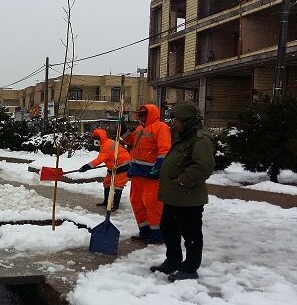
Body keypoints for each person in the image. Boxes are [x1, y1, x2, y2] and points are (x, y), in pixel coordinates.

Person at [150, 100, 215, 281]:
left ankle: (189, 268)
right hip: (173, 197)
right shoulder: (184, 135)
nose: (173, 123)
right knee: (169, 229)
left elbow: (204, 166)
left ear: (186, 119)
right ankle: (173, 261)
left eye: (176, 119)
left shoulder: (200, 138)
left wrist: (182, 180)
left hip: (188, 198)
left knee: (191, 234)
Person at [122, 104, 171, 244]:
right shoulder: (139, 129)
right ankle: (145, 231)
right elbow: (131, 141)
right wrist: (123, 130)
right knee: (137, 202)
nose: (142, 116)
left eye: (144, 114)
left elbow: (164, 148)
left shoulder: (160, 127)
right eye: (140, 114)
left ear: (151, 114)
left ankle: (157, 234)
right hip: (137, 173)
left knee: (152, 204)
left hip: (151, 175)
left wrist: (159, 166)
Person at [78, 128, 131, 211]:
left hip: (123, 165)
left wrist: (86, 166)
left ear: (101, 138)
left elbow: (100, 159)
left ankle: (115, 206)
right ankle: (106, 202)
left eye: (97, 139)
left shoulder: (107, 145)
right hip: (113, 166)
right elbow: (107, 157)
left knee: (118, 186)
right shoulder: (104, 143)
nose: (95, 141)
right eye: (94, 139)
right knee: (107, 183)